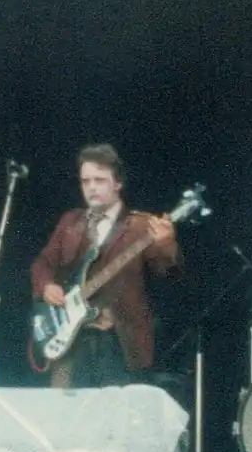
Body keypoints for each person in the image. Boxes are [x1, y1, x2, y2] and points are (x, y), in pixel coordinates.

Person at [31, 143, 182, 389]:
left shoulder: (140, 225)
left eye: (99, 180)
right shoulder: (71, 222)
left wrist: (167, 244)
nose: (91, 187)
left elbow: (170, 275)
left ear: (117, 184)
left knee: (116, 421)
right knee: (69, 419)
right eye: (85, 181)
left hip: (119, 342)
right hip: (72, 342)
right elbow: (43, 262)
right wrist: (46, 285)